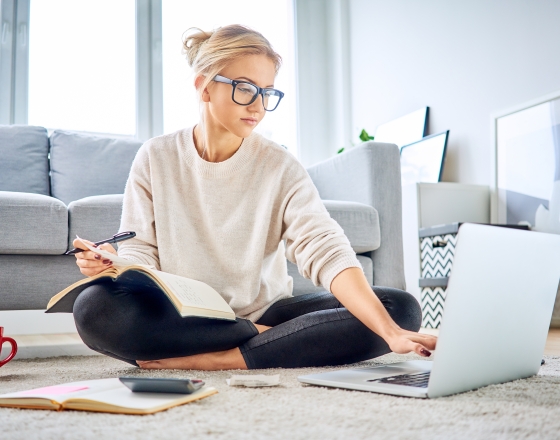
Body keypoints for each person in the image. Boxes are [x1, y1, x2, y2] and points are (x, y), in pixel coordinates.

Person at [72, 24, 436, 371]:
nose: (258, 105)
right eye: (245, 88)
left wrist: (391, 333)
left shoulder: (280, 165)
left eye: (267, 92)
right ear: (204, 86)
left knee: (399, 310)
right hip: (182, 314)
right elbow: (140, 250)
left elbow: (323, 246)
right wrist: (117, 267)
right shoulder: (156, 156)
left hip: (266, 312)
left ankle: (220, 357)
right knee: (93, 308)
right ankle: (271, 344)